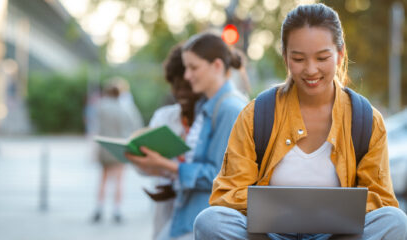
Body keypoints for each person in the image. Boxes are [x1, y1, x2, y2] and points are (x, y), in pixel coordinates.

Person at [194, 3, 407, 240]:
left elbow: (382, 199)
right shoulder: (256, 114)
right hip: (269, 235)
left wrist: (324, 214)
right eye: (298, 58)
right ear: (285, 57)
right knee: (210, 222)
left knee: (395, 221)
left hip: (336, 236)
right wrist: (284, 212)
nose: (311, 69)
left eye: (322, 57)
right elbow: (227, 193)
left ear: (340, 54)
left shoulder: (366, 119)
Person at [126, 32, 248, 240]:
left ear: (217, 66)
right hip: (188, 217)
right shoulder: (208, 106)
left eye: (193, 68)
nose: (187, 76)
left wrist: (166, 165)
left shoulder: (230, 109)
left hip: (204, 222)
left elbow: (220, 178)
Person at [144, 44, 201, 239]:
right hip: (167, 211)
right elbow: (145, 166)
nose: (181, 93)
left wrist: (179, 184)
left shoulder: (213, 119)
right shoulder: (164, 118)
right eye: (175, 86)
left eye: (187, 87)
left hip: (199, 212)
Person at [91, 80, 142, 223]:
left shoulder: (100, 107)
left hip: (104, 147)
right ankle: (117, 210)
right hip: (120, 147)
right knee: (119, 180)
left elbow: (95, 126)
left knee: (103, 179)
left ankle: (99, 208)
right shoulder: (126, 108)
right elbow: (136, 126)